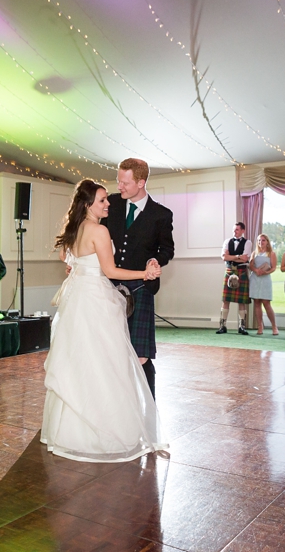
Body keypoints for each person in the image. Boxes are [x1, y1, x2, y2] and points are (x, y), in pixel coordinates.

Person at [42, 179, 166, 462]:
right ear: (88, 205)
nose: (108, 203)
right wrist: (143, 275)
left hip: (77, 301)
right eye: (102, 201)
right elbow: (111, 270)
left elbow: (68, 259)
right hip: (96, 299)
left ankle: (69, 431)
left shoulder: (73, 230)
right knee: (105, 363)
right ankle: (106, 432)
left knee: (81, 362)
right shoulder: (98, 230)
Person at [101, 158, 174, 400]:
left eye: (125, 182)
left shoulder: (161, 215)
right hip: (109, 285)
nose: (119, 186)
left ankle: (149, 406)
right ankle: (118, 404)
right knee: (111, 350)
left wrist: (155, 260)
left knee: (141, 353)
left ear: (141, 182)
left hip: (141, 286)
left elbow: (167, 249)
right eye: (118, 181)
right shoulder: (109, 204)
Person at [216, 222, 253, 335]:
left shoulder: (248, 242)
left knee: (241, 301)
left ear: (243, 230)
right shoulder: (227, 241)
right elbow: (223, 257)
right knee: (225, 300)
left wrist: (231, 257)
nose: (234, 231)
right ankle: (223, 326)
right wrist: (237, 256)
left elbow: (245, 259)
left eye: (237, 229)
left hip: (241, 271)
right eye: (234, 229)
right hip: (229, 271)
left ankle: (242, 326)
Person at [249, 234, 278, 335]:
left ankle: (274, 327)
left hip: (265, 279)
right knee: (257, 303)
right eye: (259, 240)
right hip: (255, 279)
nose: (261, 242)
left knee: (266, 303)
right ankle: (260, 326)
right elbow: (250, 266)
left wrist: (265, 272)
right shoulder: (254, 253)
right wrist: (256, 270)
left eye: (263, 240)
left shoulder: (271, 254)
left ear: (267, 241)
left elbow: (274, 267)